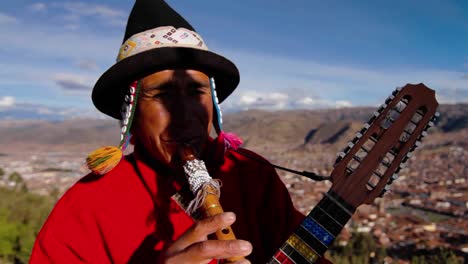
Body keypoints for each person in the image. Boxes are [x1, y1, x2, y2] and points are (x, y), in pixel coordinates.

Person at [31, 1, 330, 263]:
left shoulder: (252, 173)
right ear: (131, 114)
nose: (185, 115)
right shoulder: (85, 207)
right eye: (162, 94)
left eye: (196, 92)